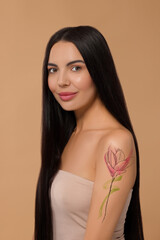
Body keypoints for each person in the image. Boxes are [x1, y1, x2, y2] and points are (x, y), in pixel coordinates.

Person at [34, 26, 144, 240]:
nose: (61, 81)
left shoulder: (115, 143)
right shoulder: (69, 135)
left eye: (75, 68)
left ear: (99, 71)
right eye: (53, 69)